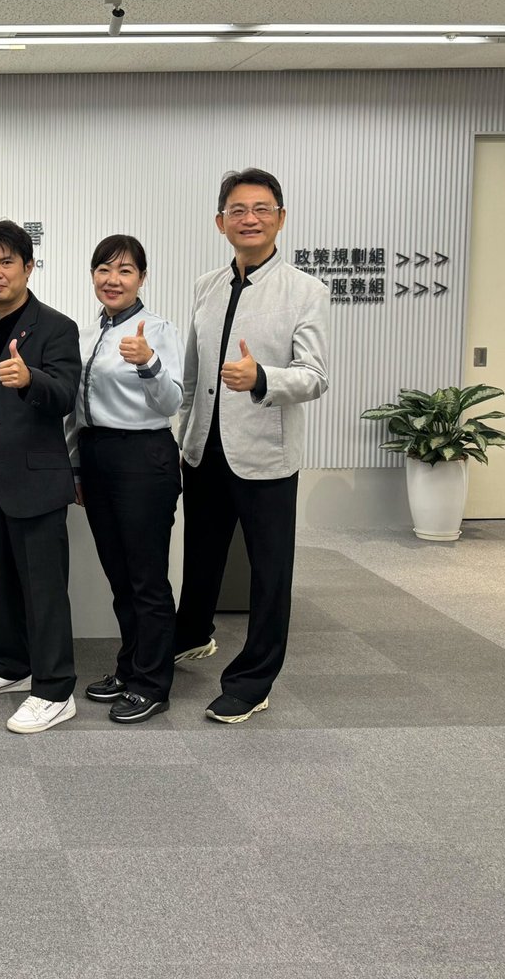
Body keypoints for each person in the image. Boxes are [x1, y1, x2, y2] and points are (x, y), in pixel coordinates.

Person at [175, 167, 330, 724]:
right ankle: (192, 634)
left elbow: (315, 376)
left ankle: (252, 680)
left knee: (269, 572)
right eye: (237, 210)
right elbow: (192, 375)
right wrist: (181, 437)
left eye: (261, 209)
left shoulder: (306, 291)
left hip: (266, 453)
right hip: (205, 447)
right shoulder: (206, 285)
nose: (250, 219)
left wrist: (262, 377)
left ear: (280, 218)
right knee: (200, 556)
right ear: (220, 223)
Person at [0, 220, 83, 734]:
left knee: (43, 586)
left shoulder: (56, 326)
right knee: (2, 576)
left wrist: (31, 380)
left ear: (28, 267)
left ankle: (55, 690)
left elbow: (65, 395)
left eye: (7, 262)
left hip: (35, 474)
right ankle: (13, 665)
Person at [64, 235, 184, 724]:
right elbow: (76, 410)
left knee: (146, 578)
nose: (113, 280)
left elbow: (172, 402)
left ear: (142, 278)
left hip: (144, 458)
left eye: (126, 270)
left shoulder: (158, 330)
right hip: (97, 457)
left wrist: (149, 363)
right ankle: (130, 667)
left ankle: (152, 684)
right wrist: (76, 467)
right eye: (104, 270)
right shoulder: (86, 335)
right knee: (120, 577)